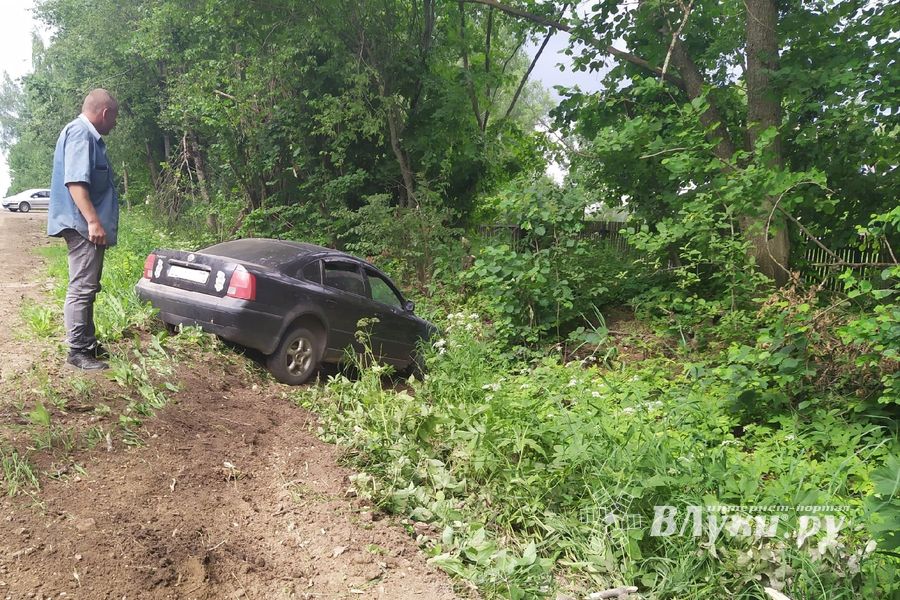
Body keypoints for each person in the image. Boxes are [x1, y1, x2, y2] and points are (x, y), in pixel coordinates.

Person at [47, 89, 120, 370]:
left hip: (84, 224)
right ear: (105, 113)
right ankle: (77, 351)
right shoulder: (81, 134)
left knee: (88, 286)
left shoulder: (86, 135)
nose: (114, 124)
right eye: (114, 118)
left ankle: (87, 343)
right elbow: (76, 183)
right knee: (82, 287)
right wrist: (93, 221)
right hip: (82, 226)